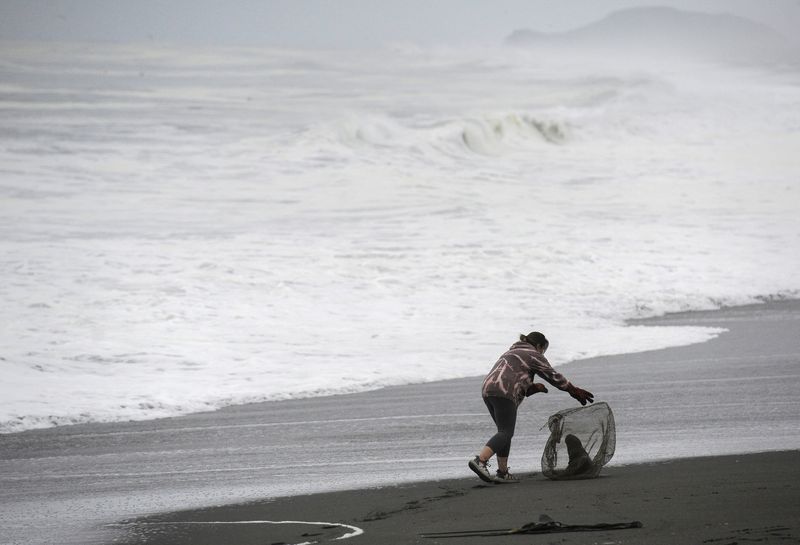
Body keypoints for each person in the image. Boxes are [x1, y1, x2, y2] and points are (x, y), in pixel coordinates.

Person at [468, 331, 594, 483]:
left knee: (503, 432)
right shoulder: (533, 353)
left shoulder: (511, 352)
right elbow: (552, 375)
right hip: (505, 389)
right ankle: (480, 461)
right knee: (505, 432)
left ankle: (502, 472)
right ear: (539, 346)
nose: (542, 354)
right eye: (543, 350)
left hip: (488, 389)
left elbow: (514, 373)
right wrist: (573, 390)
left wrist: (532, 388)